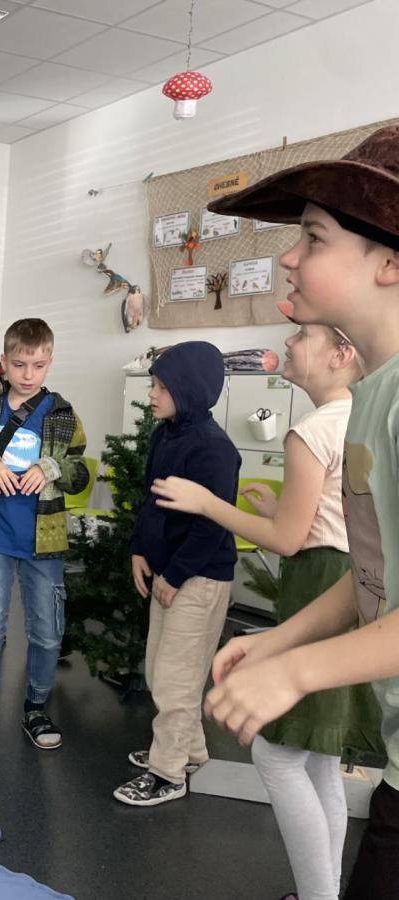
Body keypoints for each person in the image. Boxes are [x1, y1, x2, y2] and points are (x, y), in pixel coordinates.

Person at [201, 127, 399, 897]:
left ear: (389, 263)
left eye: (313, 238)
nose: (289, 257)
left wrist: (299, 672)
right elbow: (375, 570)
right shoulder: (371, 397)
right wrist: (280, 641)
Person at [152, 325, 380, 900]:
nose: (289, 344)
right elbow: (334, 518)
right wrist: (284, 505)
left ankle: (319, 894)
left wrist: (209, 503)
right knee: (319, 757)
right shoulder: (358, 417)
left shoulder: (310, 430)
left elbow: (285, 539)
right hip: (351, 582)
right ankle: (323, 889)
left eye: (303, 336)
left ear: (341, 353)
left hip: (322, 586)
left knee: (277, 755)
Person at [112, 341, 240, 807]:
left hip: (198, 578)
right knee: (161, 669)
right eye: (153, 384)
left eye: (161, 387)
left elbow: (212, 524)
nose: (151, 394)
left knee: (176, 679)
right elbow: (151, 501)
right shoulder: (165, 435)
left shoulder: (214, 449)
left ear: (188, 390)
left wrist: (176, 575)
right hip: (168, 571)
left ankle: (167, 774)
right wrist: (138, 549)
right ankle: (190, 754)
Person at [0, 319, 89, 750]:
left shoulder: (63, 413)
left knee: (48, 629)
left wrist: (50, 467)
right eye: (19, 365)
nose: (28, 374)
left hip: (44, 539)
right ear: (4, 362)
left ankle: (36, 707)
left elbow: (80, 472)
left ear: (50, 362)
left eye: (38, 365)